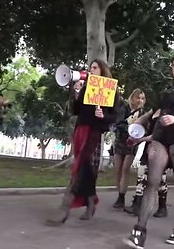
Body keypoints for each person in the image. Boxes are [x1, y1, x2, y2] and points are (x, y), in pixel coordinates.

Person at [123, 51, 174, 248]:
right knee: (152, 181)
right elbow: (153, 111)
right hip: (160, 138)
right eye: (173, 64)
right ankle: (139, 231)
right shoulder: (166, 89)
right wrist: (139, 126)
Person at [46, 59, 119, 225]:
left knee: (80, 168)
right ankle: (91, 200)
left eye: (94, 67)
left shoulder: (111, 89)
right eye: (90, 67)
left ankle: (64, 209)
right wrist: (75, 93)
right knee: (87, 169)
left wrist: (104, 116)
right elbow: (75, 110)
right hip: (80, 130)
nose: (91, 70)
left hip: (93, 132)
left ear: (102, 70)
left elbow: (115, 115)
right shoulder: (86, 87)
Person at [124, 109, 169, 218]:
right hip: (148, 147)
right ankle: (138, 204)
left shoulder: (168, 113)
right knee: (142, 173)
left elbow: (158, 135)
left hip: (160, 147)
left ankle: (162, 207)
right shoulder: (154, 110)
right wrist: (134, 129)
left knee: (160, 177)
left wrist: (140, 139)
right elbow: (141, 119)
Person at [112, 88, 147, 210]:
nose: (140, 100)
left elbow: (145, 128)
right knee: (118, 169)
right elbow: (117, 123)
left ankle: (121, 197)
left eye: (142, 98)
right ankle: (119, 194)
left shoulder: (143, 113)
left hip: (132, 142)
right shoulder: (124, 108)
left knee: (125, 168)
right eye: (138, 97)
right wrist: (128, 126)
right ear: (133, 98)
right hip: (120, 140)